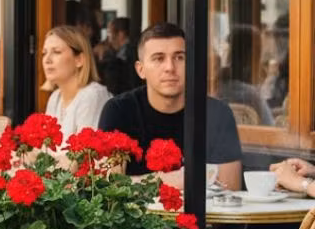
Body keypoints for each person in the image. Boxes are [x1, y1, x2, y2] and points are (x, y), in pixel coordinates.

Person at [97, 22, 242, 190]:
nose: (170, 68)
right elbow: (108, 185)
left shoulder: (217, 114)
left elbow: (231, 186)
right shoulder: (119, 111)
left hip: (204, 209)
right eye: (159, 58)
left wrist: (139, 182)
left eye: (179, 57)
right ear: (140, 70)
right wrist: (167, 179)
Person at [41, 25, 110, 140]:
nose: (47, 60)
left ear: (79, 60)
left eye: (56, 52)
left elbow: (85, 150)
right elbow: (47, 147)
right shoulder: (55, 97)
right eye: (44, 53)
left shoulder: (92, 95)